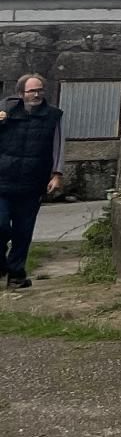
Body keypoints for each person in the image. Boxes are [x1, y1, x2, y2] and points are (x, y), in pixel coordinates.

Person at [0, 75, 64, 290]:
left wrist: (57, 174)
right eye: (31, 91)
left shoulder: (53, 116)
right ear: (21, 93)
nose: (36, 95)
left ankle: (16, 275)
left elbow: (58, 146)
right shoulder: (5, 113)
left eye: (40, 90)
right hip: (2, 181)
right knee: (0, 226)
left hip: (32, 184)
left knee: (23, 232)